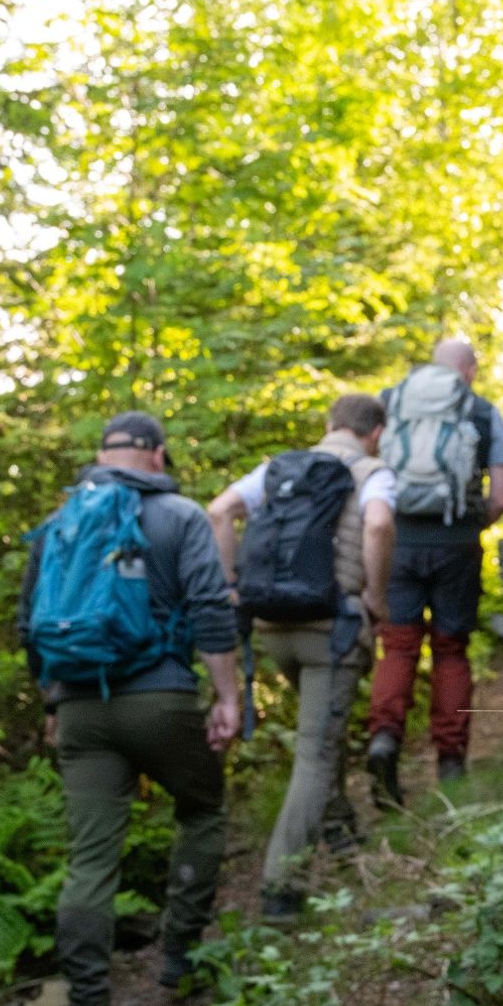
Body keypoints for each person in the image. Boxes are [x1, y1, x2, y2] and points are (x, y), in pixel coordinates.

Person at [19, 412, 240, 1006]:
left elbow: (28, 620)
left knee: (89, 862)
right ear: (158, 454)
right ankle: (178, 958)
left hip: (80, 704)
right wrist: (227, 695)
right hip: (160, 698)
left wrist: (52, 701)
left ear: (101, 455)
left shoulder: (62, 519)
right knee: (201, 808)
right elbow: (209, 605)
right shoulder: (178, 514)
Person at [208, 394, 395, 920]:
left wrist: (229, 587)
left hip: (272, 627)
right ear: (375, 432)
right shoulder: (373, 472)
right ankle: (280, 890)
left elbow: (219, 511)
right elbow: (379, 526)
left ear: (330, 424)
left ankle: (342, 839)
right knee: (315, 753)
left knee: (321, 738)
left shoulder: (277, 469)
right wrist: (376, 600)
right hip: (331, 631)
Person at [365, 338, 503, 805]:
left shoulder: (389, 402)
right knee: (451, 650)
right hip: (457, 544)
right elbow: (501, 497)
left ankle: (384, 739)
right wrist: (469, 526)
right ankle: (450, 762)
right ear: (468, 370)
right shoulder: (483, 411)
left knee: (399, 645)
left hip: (397, 540)